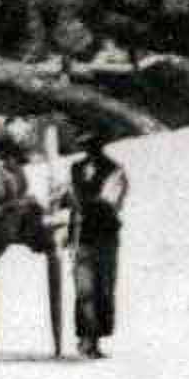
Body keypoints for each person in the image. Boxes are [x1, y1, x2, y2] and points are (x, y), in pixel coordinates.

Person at [66, 129, 129, 358]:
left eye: (93, 144)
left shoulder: (115, 171)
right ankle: (86, 338)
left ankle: (95, 339)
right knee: (84, 290)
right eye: (85, 144)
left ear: (101, 146)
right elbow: (66, 197)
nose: (89, 149)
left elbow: (112, 201)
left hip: (104, 237)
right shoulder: (75, 169)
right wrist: (65, 201)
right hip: (80, 237)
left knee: (103, 289)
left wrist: (81, 202)